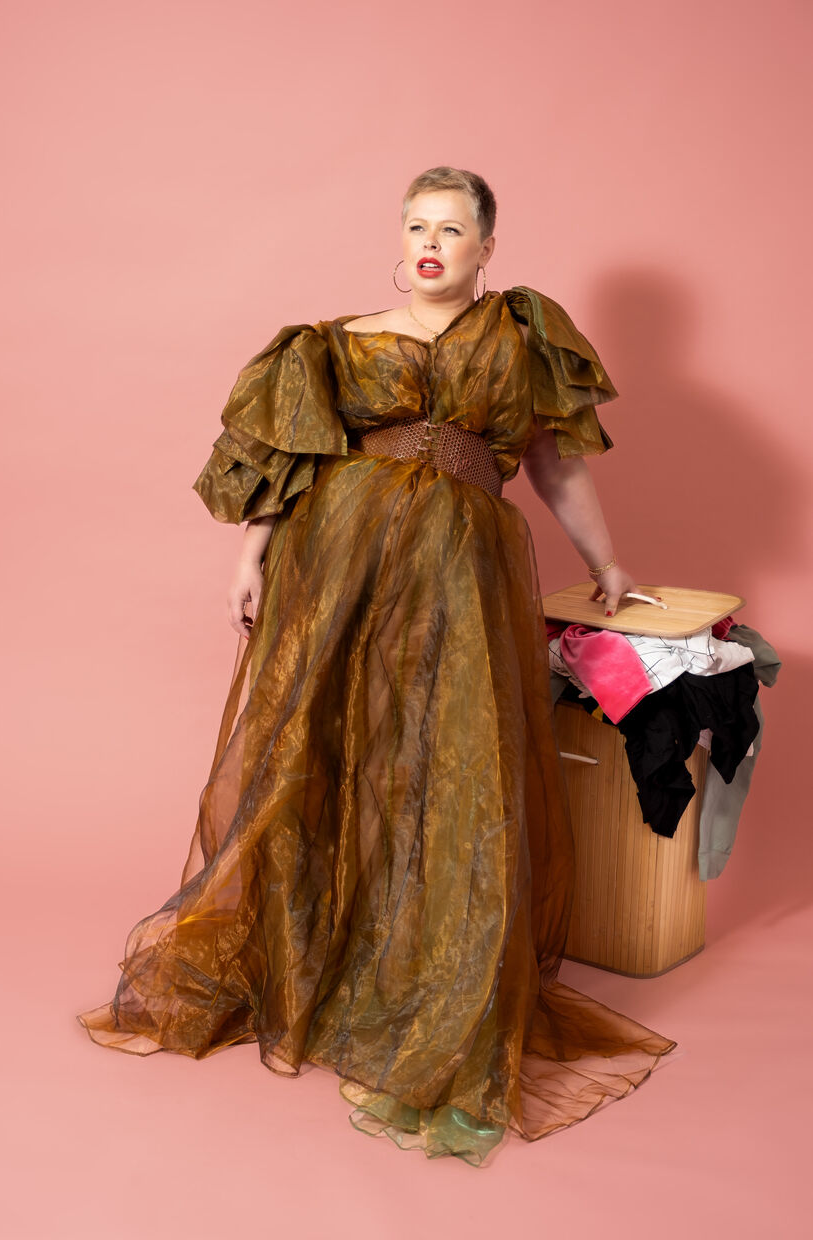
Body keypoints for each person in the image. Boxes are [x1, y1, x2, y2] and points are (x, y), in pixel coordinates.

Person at [78, 166, 675, 1165]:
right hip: (338, 566)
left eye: (452, 227)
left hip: (461, 574)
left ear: (489, 248)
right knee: (324, 750)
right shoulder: (331, 344)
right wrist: (249, 559)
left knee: (448, 771)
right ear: (397, 240)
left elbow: (555, 463)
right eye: (416, 225)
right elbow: (294, 462)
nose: (431, 241)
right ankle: (322, 969)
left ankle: (428, 991)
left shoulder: (521, 339)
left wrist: (607, 567)